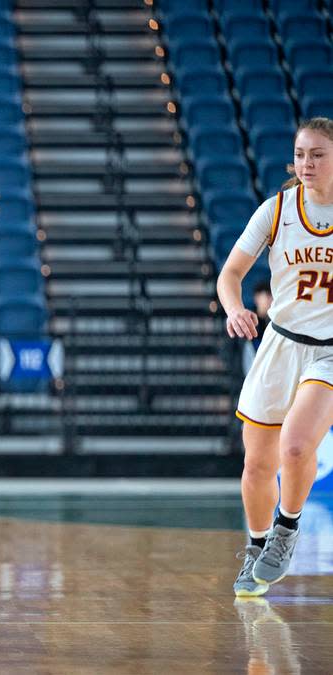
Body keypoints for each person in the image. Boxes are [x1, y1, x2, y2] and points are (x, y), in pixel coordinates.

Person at [218, 117, 333, 599]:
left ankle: (286, 530)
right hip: (280, 342)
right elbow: (231, 273)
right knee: (257, 465)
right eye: (301, 154)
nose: (306, 163)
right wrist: (235, 308)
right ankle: (258, 544)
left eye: (318, 155)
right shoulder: (277, 209)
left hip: (328, 352)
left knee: (295, 447)